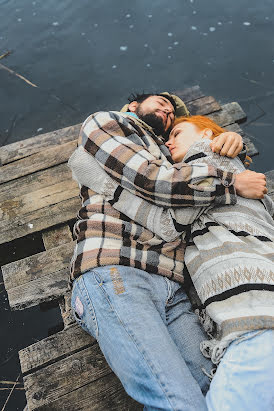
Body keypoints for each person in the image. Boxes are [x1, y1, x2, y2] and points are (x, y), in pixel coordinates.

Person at [68, 93, 267, 410]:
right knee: (176, 401)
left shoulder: (173, 158)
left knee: (211, 390)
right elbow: (152, 180)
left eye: (172, 113)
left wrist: (227, 143)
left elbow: (173, 217)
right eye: (160, 102)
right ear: (134, 106)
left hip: (172, 287)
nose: (167, 109)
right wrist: (230, 182)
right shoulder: (108, 122)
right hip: (117, 268)